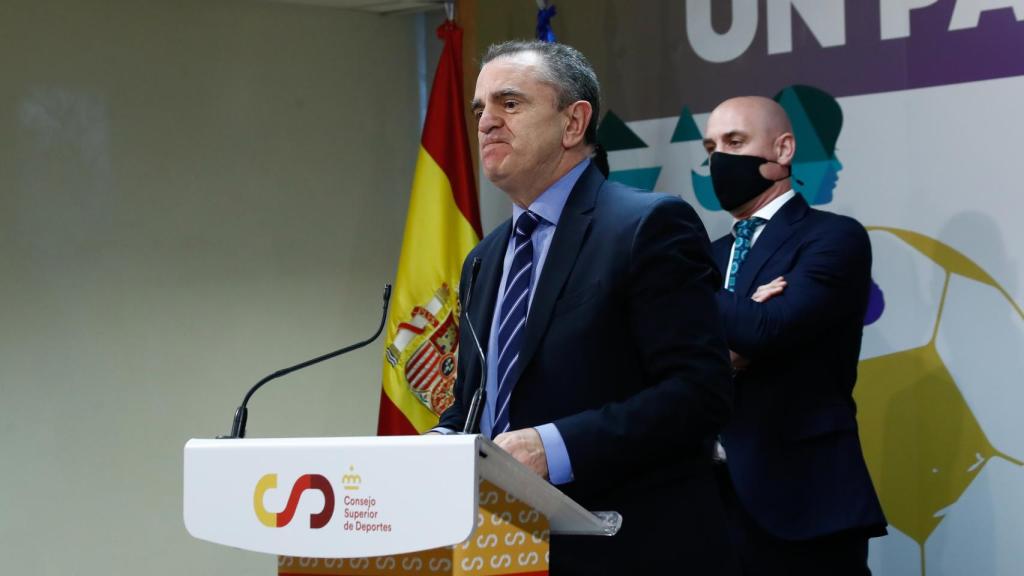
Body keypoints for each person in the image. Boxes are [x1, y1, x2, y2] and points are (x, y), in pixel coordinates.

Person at [435, 40, 737, 575]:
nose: (486, 122)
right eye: (480, 108)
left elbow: (698, 393)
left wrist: (552, 447)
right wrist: (436, 446)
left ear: (574, 123)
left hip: (627, 545)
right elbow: (475, 403)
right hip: (502, 549)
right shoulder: (484, 258)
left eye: (510, 102)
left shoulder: (647, 226)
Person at [702, 96, 887, 575]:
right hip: (709, 508)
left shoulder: (832, 238)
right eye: (711, 147)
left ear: (783, 150)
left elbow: (769, 330)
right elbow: (672, 363)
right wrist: (733, 346)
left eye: (735, 142)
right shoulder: (707, 256)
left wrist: (687, 289)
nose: (719, 158)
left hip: (802, 505)